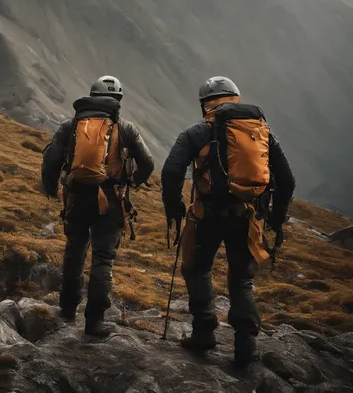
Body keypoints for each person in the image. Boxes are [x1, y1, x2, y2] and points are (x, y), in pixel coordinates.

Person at [162, 76, 295, 365]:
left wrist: (175, 207)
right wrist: (275, 217)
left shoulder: (196, 133)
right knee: (242, 280)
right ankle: (246, 348)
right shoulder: (261, 133)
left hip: (206, 216)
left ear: (204, 105)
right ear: (235, 98)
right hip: (247, 219)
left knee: (197, 270)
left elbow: (172, 171)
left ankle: (204, 332)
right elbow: (287, 180)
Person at [42, 75, 154, 337]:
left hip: (77, 198)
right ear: (118, 101)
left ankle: (67, 309)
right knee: (103, 258)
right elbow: (147, 164)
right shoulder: (126, 128)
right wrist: (131, 182)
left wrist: (50, 188)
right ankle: (94, 323)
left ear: (90, 97)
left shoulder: (70, 126)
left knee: (75, 250)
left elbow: (51, 161)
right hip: (112, 201)